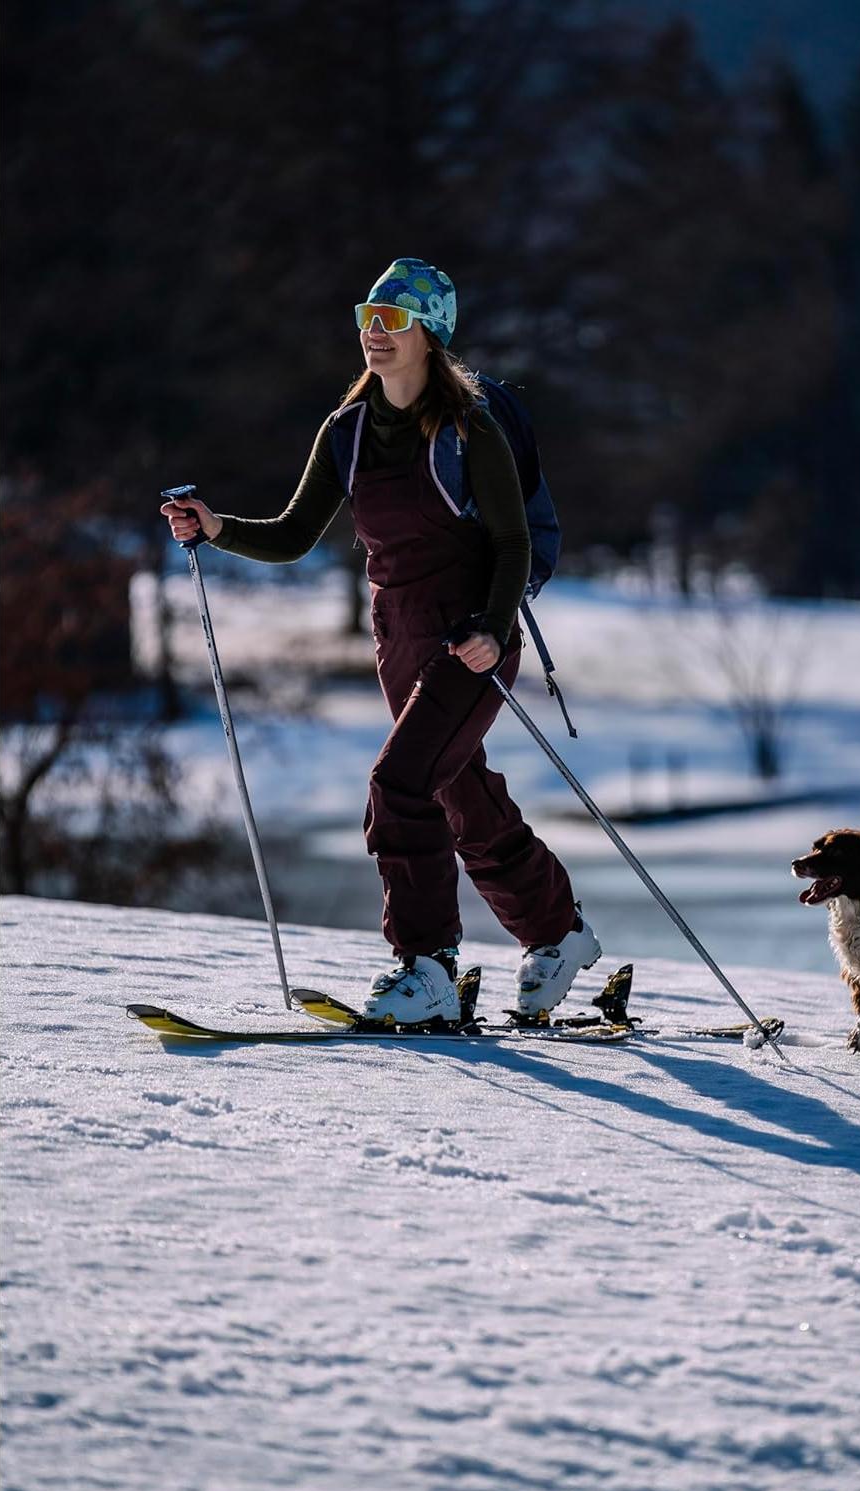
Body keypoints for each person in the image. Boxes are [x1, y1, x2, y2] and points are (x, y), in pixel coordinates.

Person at [161, 258, 600, 1026]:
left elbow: (510, 541)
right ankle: (557, 933)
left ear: (429, 333)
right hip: (398, 634)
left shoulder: (472, 428)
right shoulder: (349, 430)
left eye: (393, 321)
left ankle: (425, 964)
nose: (375, 332)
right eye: (367, 316)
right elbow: (295, 535)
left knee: (399, 784)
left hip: (468, 639)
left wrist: (494, 633)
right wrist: (219, 527)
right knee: (457, 790)